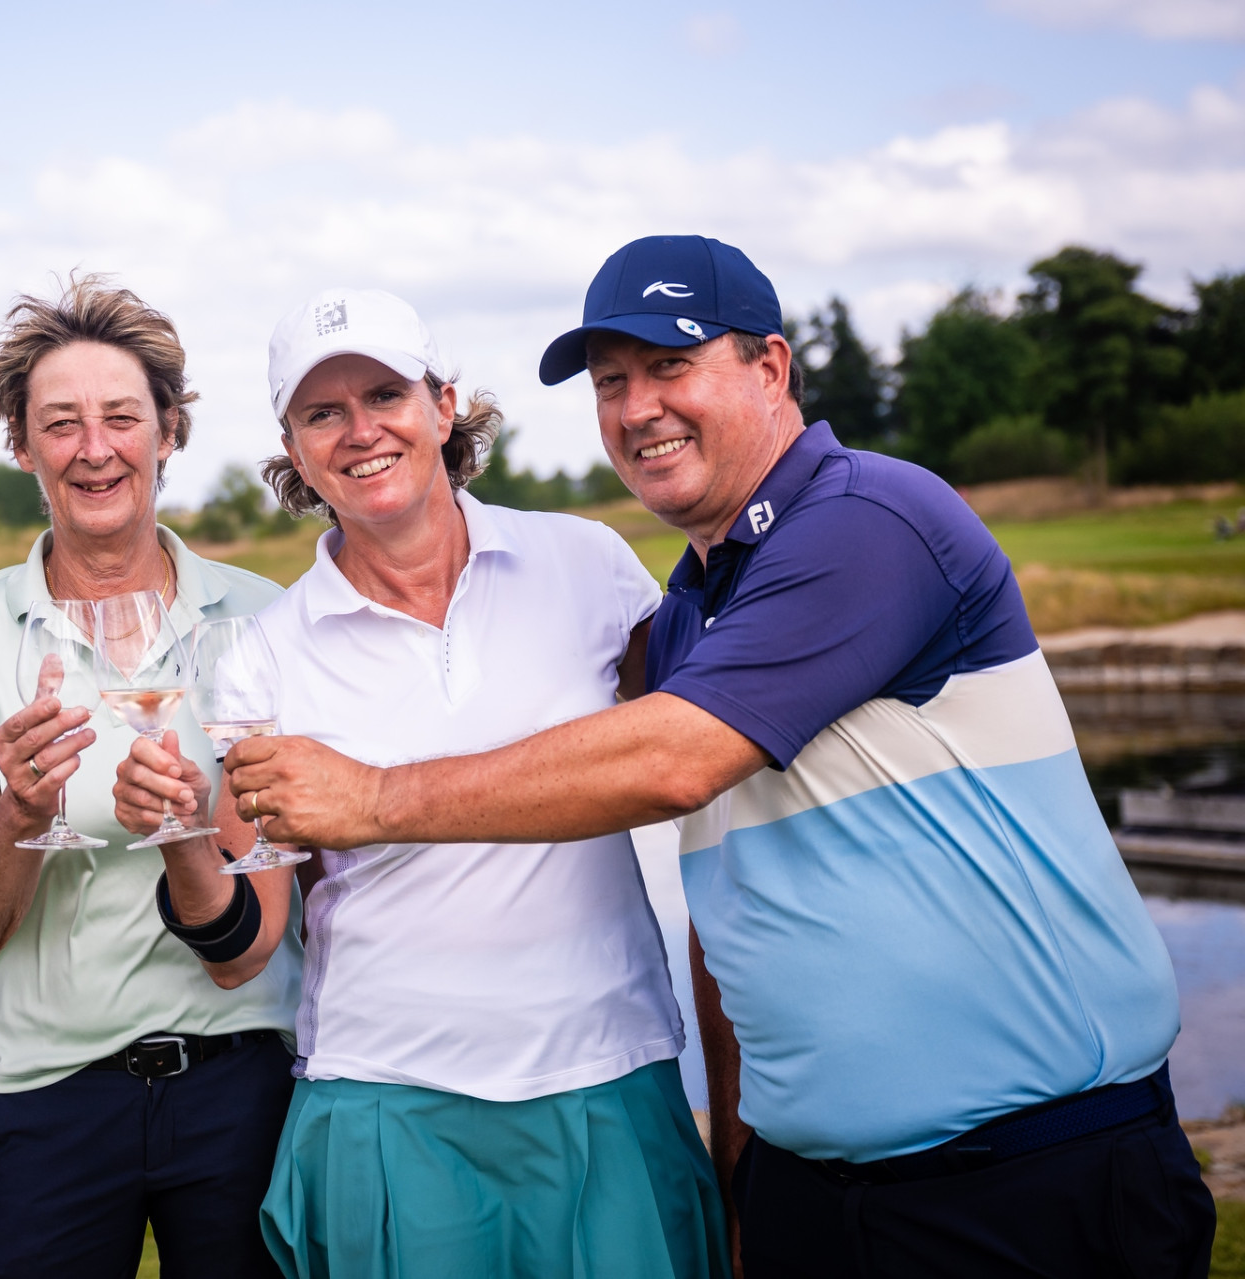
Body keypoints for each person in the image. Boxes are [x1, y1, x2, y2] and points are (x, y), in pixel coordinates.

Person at [223, 237, 1216, 1277]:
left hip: (1029, 1169)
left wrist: (373, 797)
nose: (638, 407)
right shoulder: (693, 606)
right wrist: (739, 1159)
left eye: (671, 364)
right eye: (612, 382)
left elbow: (670, 762)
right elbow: (730, 908)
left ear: (770, 367)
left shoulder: (869, 519)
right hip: (814, 1186)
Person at [117, 287, 726, 1279]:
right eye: (322, 412)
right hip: (387, 1101)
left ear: (444, 407)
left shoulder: (590, 563)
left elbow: (690, 757)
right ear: (294, 447)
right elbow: (243, 945)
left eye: (385, 394)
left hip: (608, 1077)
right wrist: (183, 833)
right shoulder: (265, 652)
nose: (360, 430)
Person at [0, 275, 302, 1278]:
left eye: (123, 417)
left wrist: (185, 829)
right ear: (22, 444)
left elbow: (250, 939)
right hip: (47, 1100)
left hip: (243, 1086)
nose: (95, 448)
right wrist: (23, 808)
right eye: (61, 423)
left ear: (168, 430)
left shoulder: (266, 619)